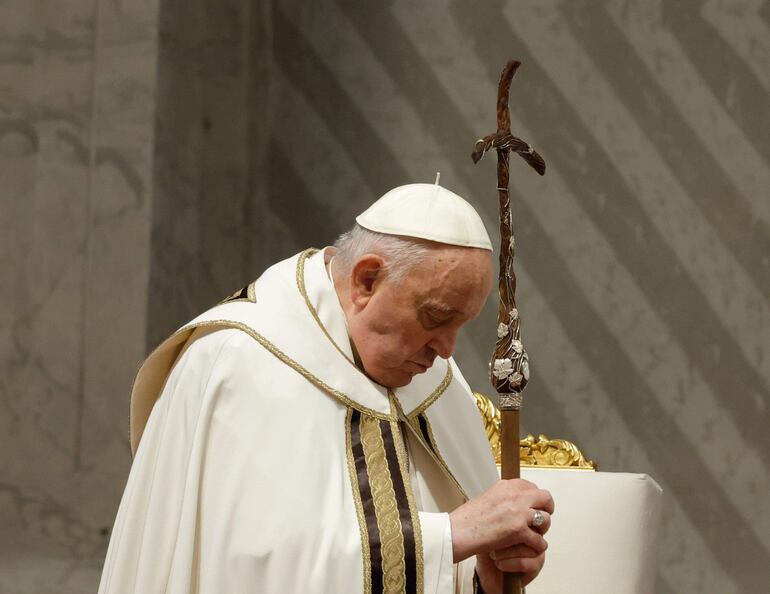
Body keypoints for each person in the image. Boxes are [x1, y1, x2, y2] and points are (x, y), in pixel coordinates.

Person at [98, 183, 554, 594]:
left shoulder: (435, 382)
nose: (446, 350)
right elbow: (250, 573)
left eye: (461, 326)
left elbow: (454, 551)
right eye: (435, 318)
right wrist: (450, 537)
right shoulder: (240, 364)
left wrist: (482, 579)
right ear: (366, 280)